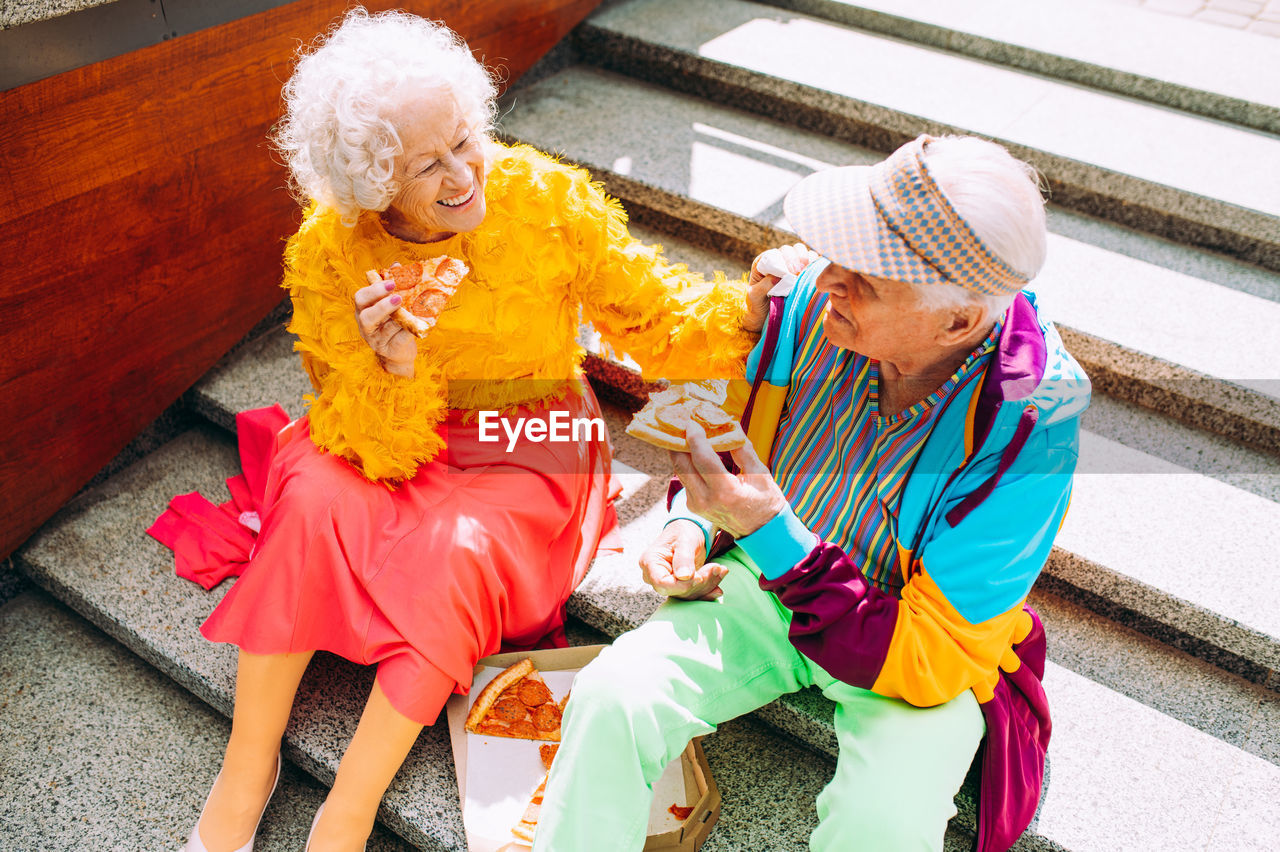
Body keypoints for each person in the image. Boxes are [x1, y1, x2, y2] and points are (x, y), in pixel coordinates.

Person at [155, 8, 766, 851]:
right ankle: (247, 763)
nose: (463, 174)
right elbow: (355, 426)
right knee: (311, 503)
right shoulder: (330, 250)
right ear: (370, 185)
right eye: (422, 165)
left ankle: (352, 805)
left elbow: (658, 322)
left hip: (534, 429)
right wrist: (394, 367)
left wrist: (752, 310)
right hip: (389, 418)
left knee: (455, 550)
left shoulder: (545, 199)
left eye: (464, 140)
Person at [532, 134, 1091, 852]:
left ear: (958, 320)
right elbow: (720, 418)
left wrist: (768, 534)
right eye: (838, 249)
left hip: (913, 637)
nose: (829, 278)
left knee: (883, 825)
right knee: (611, 698)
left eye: (868, 276)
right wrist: (694, 523)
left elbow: (934, 657)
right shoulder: (801, 300)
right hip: (764, 581)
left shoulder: (1033, 423)